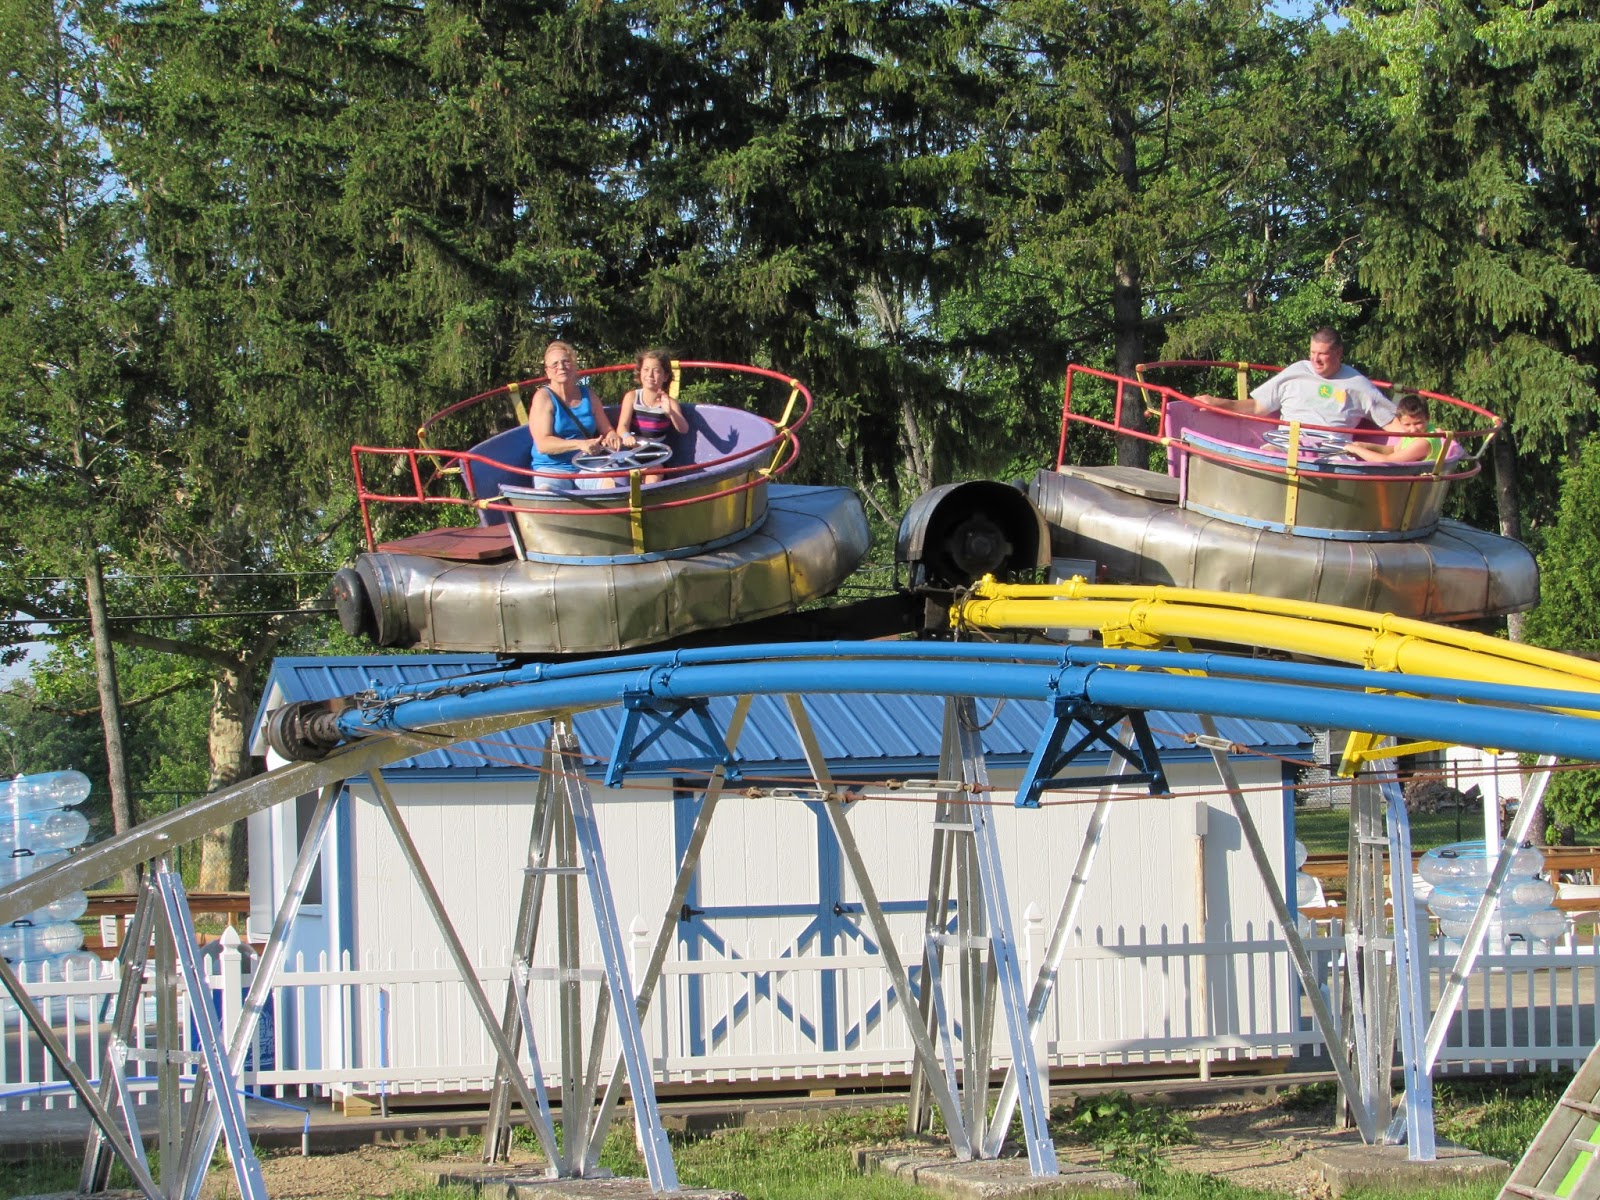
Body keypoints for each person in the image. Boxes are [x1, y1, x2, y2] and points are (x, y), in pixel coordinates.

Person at [1196, 328, 1396, 429]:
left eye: (1322, 354)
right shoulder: (1296, 371)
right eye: (1312, 352)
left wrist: (1423, 437)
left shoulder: (1358, 384)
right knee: (1265, 454)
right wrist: (1217, 402)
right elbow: (1257, 407)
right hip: (1286, 446)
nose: (1315, 359)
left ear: (1338, 353)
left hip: (1330, 455)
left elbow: (1393, 424)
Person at [528, 340, 623, 489]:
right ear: (547, 371)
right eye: (555, 364)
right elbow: (543, 444)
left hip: (586, 464)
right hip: (553, 469)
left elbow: (607, 430)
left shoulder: (589, 395)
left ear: (574, 366)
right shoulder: (543, 398)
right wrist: (580, 444)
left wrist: (612, 437)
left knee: (614, 485)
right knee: (547, 494)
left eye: (566, 362)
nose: (561, 367)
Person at [1340, 394, 1444, 464]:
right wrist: (1364, 446)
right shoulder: (1418, 434)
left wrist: (1356, 449)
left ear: (1428, 418)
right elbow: (1394, 450)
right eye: (1407, 425)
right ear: (1400, 421)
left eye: (1418, 423)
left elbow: (1387, 461)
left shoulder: (1423, 442)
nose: (1413, 430)